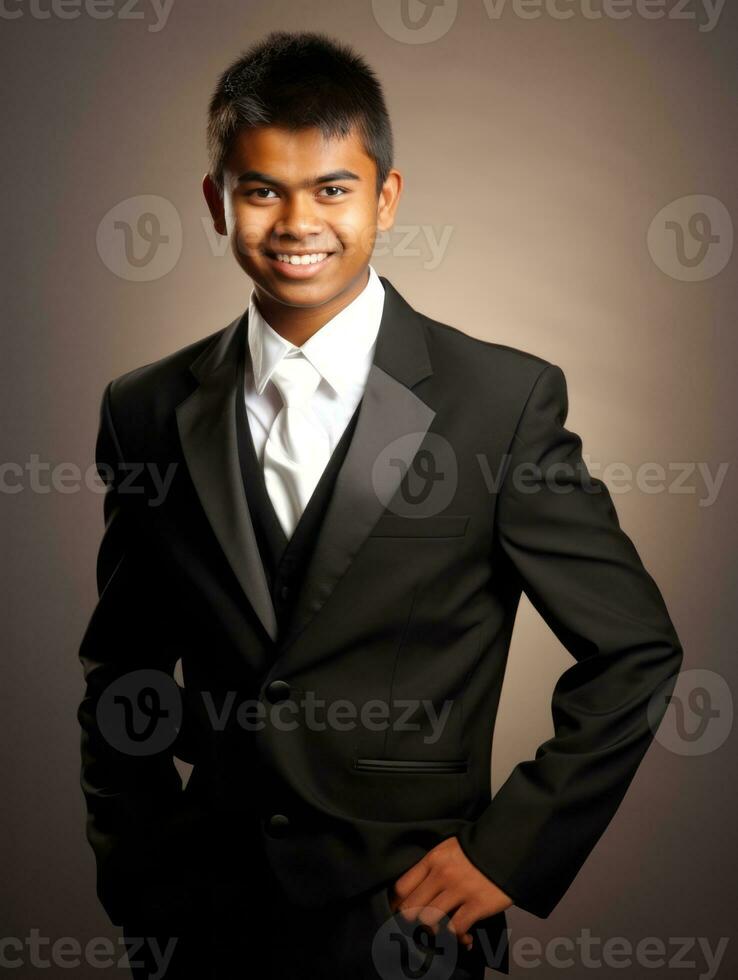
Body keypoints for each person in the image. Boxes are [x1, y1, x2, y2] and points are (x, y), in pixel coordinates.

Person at [77, 30, 683, 980]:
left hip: (409, 924)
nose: (295, 222)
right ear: (215, 202)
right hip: (205, 923)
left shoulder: (499, 403)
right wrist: (137, 876)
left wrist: (506, 852)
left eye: (332, 188)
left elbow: (636, 651)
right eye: (261, 190)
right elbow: (123, 670)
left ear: (385, 198)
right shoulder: (146, 408)